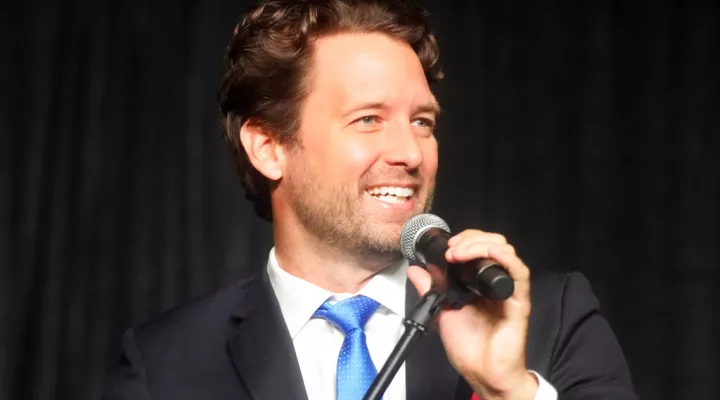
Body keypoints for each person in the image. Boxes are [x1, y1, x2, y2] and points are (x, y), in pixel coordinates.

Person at [104, 0, 637, 399]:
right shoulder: (165, 365)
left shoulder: (552, 321)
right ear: (268, 147)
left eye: (422, 122)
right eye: (368, 119)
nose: (410, 151)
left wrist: (511, 393)